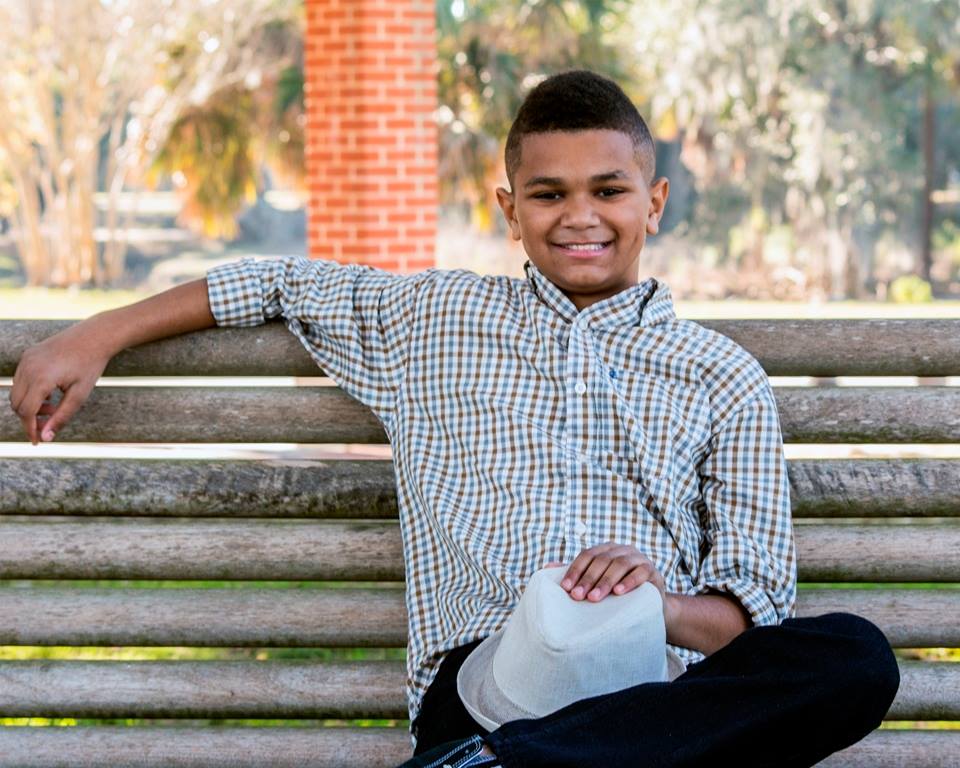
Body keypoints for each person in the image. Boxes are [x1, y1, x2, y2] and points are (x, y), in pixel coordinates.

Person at [9, 70, 898, 767]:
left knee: (854, 657)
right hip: (488, 680)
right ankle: (512, 754)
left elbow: (753, 619)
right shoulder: (430, 319)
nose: (579, 216)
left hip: (653, 688)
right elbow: (272, 281)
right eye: (547, 194)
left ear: (653, 202)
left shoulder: (720, 377)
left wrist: (652, 606)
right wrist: (96, 335)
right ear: (509, 210)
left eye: (609, 190)